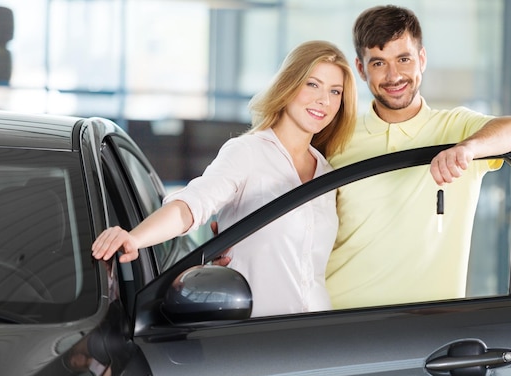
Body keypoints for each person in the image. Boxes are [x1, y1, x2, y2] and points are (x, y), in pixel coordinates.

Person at [92, 40, 357, 317]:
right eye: (312, 84)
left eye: (335, 91)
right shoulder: (248, 153)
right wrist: (134, 239)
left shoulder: (327, 172)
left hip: (317, 332)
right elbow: (192, 205)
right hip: (255, 336)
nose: (324, 100)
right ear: (289, 85)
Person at [325, 5, 511, 309]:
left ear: (421, 59)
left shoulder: (456, 128)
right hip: (334, 322)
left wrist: (467, 149)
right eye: (379, 63)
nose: (393, 75)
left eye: (404, 59)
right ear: (361, 69)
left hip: (427, 334)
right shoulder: (336, 137)